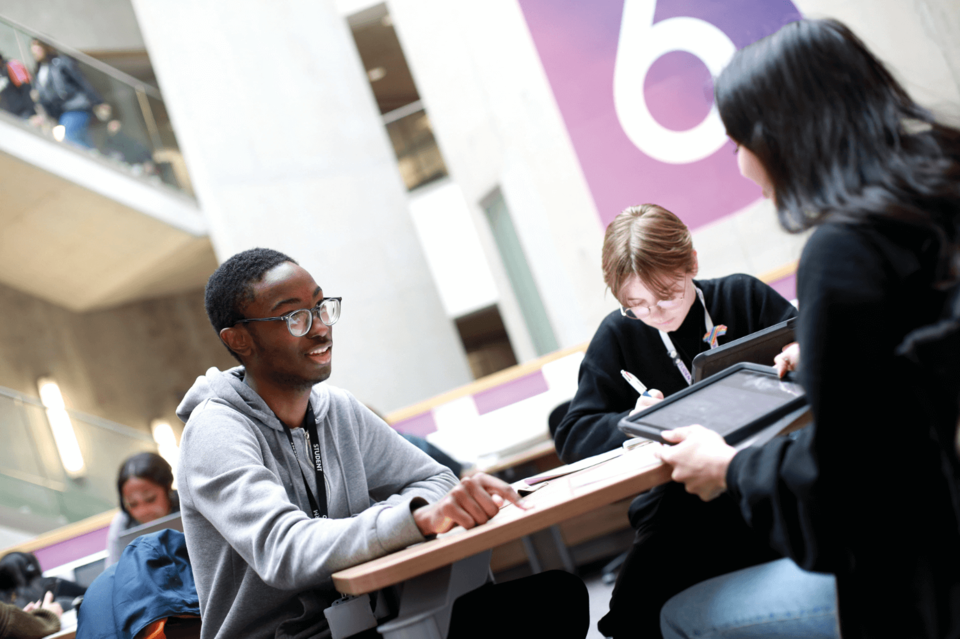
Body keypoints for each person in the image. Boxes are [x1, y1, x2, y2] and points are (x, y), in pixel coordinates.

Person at [655, 19, 960, 639]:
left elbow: (853, 493)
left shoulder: (844, 251)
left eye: (738, 144)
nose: (741, 167)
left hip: (933, 575)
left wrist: (731, 467)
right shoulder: (942, 186)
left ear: (782, 138)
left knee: (679, 616)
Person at [177, 248, 588, 639]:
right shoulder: (216, 431)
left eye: (321, 307)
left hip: (374, 617)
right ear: (239, 340)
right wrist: (414, 519)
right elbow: (284, 550)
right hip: (291, 634)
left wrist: (413, 512)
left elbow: (436, 479)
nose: (320, 327)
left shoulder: (337, 409)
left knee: (555, 599)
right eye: (294, 318)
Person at [552, 204, 797, 638]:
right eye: (637, 304)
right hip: (679, 503)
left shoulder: (741, 297)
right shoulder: (620, 334)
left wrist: (793, 362)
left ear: (692, 264)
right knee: (634, 612)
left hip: (760, 480)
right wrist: (631, 420)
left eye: (667, 293)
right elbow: (574, 434)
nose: (656, 313)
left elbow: (814, 353)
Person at [30, 39, 109, 149]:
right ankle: (96, 158)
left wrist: (98, 102)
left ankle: (90, 160)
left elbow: (81, 81)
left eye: (37, 48)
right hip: (60, 114)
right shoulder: (39, 72)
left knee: (69, 136)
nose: (34, 52)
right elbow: (44, 97)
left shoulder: (61, 62)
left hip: (76, 106)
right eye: (32, 49)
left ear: (45, 48)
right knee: (82, 139)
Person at [105, 452, 180, 567]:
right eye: (132, 504)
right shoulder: (122, 523)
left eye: (150, 499)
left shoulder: (188, 507)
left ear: (168, 487)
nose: (143, 511)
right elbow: (113, 571)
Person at [0, 52, 35, 119]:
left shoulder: (11, 65)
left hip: (24, 112)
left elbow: (26, 87)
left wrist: (31, 111)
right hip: (9, 116)